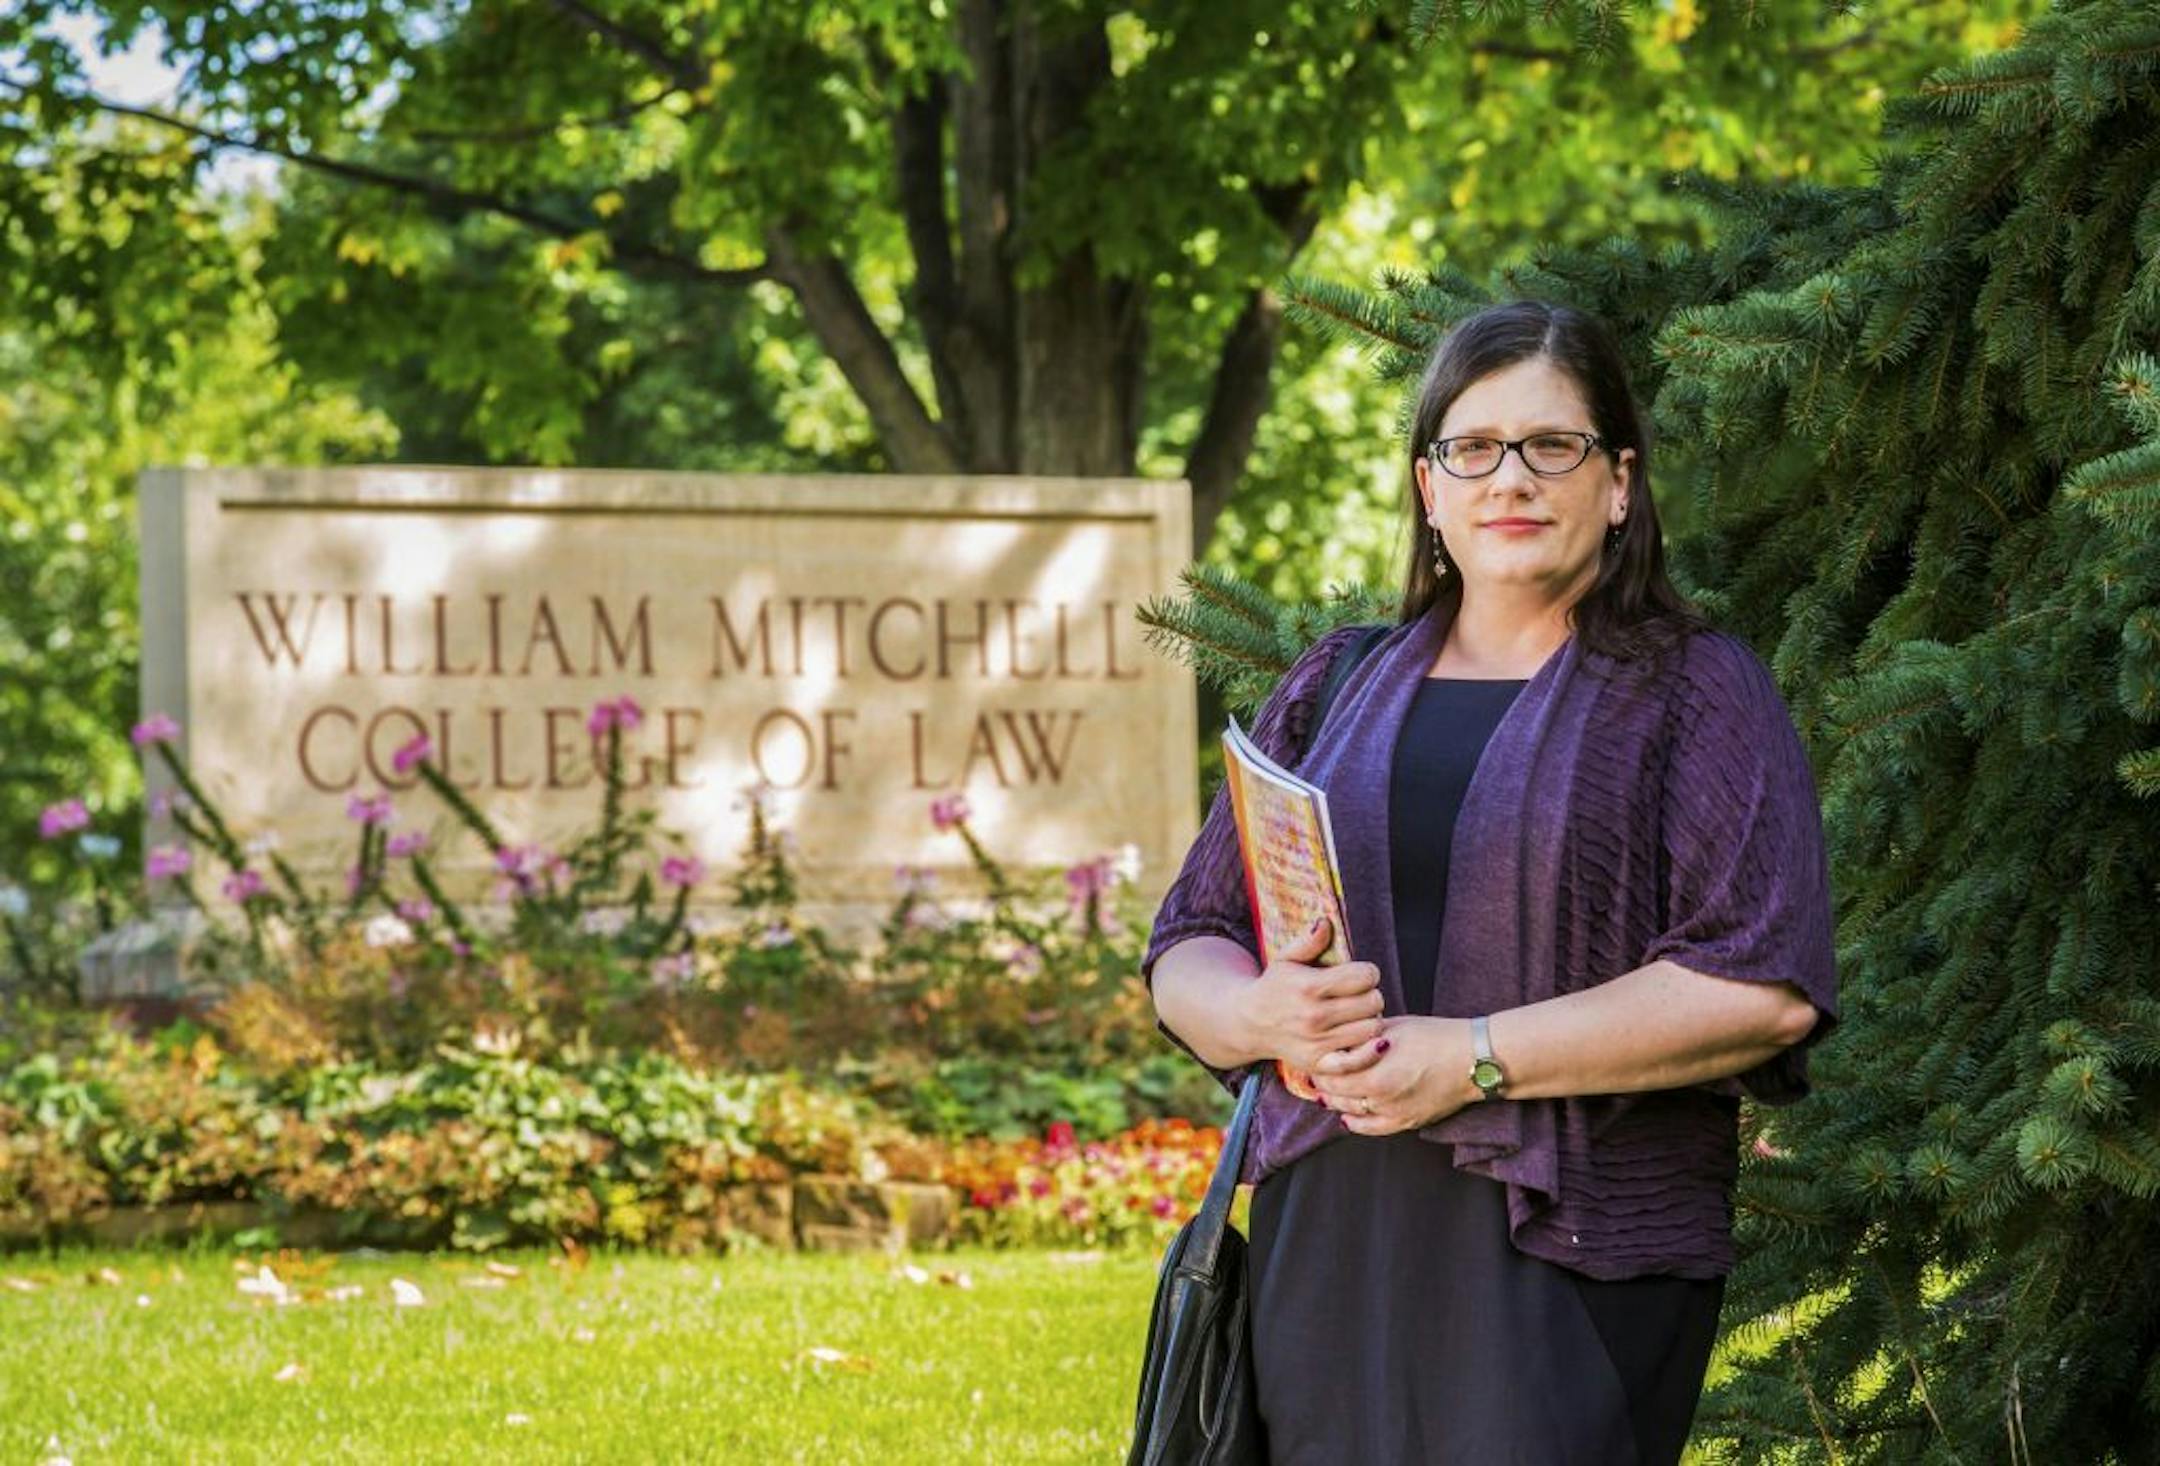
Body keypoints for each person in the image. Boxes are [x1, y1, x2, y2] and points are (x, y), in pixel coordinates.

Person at [1142, 298, 1840, 1465]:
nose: (1508, 477)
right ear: (1431, 489)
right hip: (1333, 1236)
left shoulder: (1697, 690)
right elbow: (1189, 941)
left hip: (1567, 1254)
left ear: (1618, 482)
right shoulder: (1335, 681)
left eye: (1549, 446)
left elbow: (1762, 985)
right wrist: (1257, 1012)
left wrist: (1469, 1054)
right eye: (1472, 448)